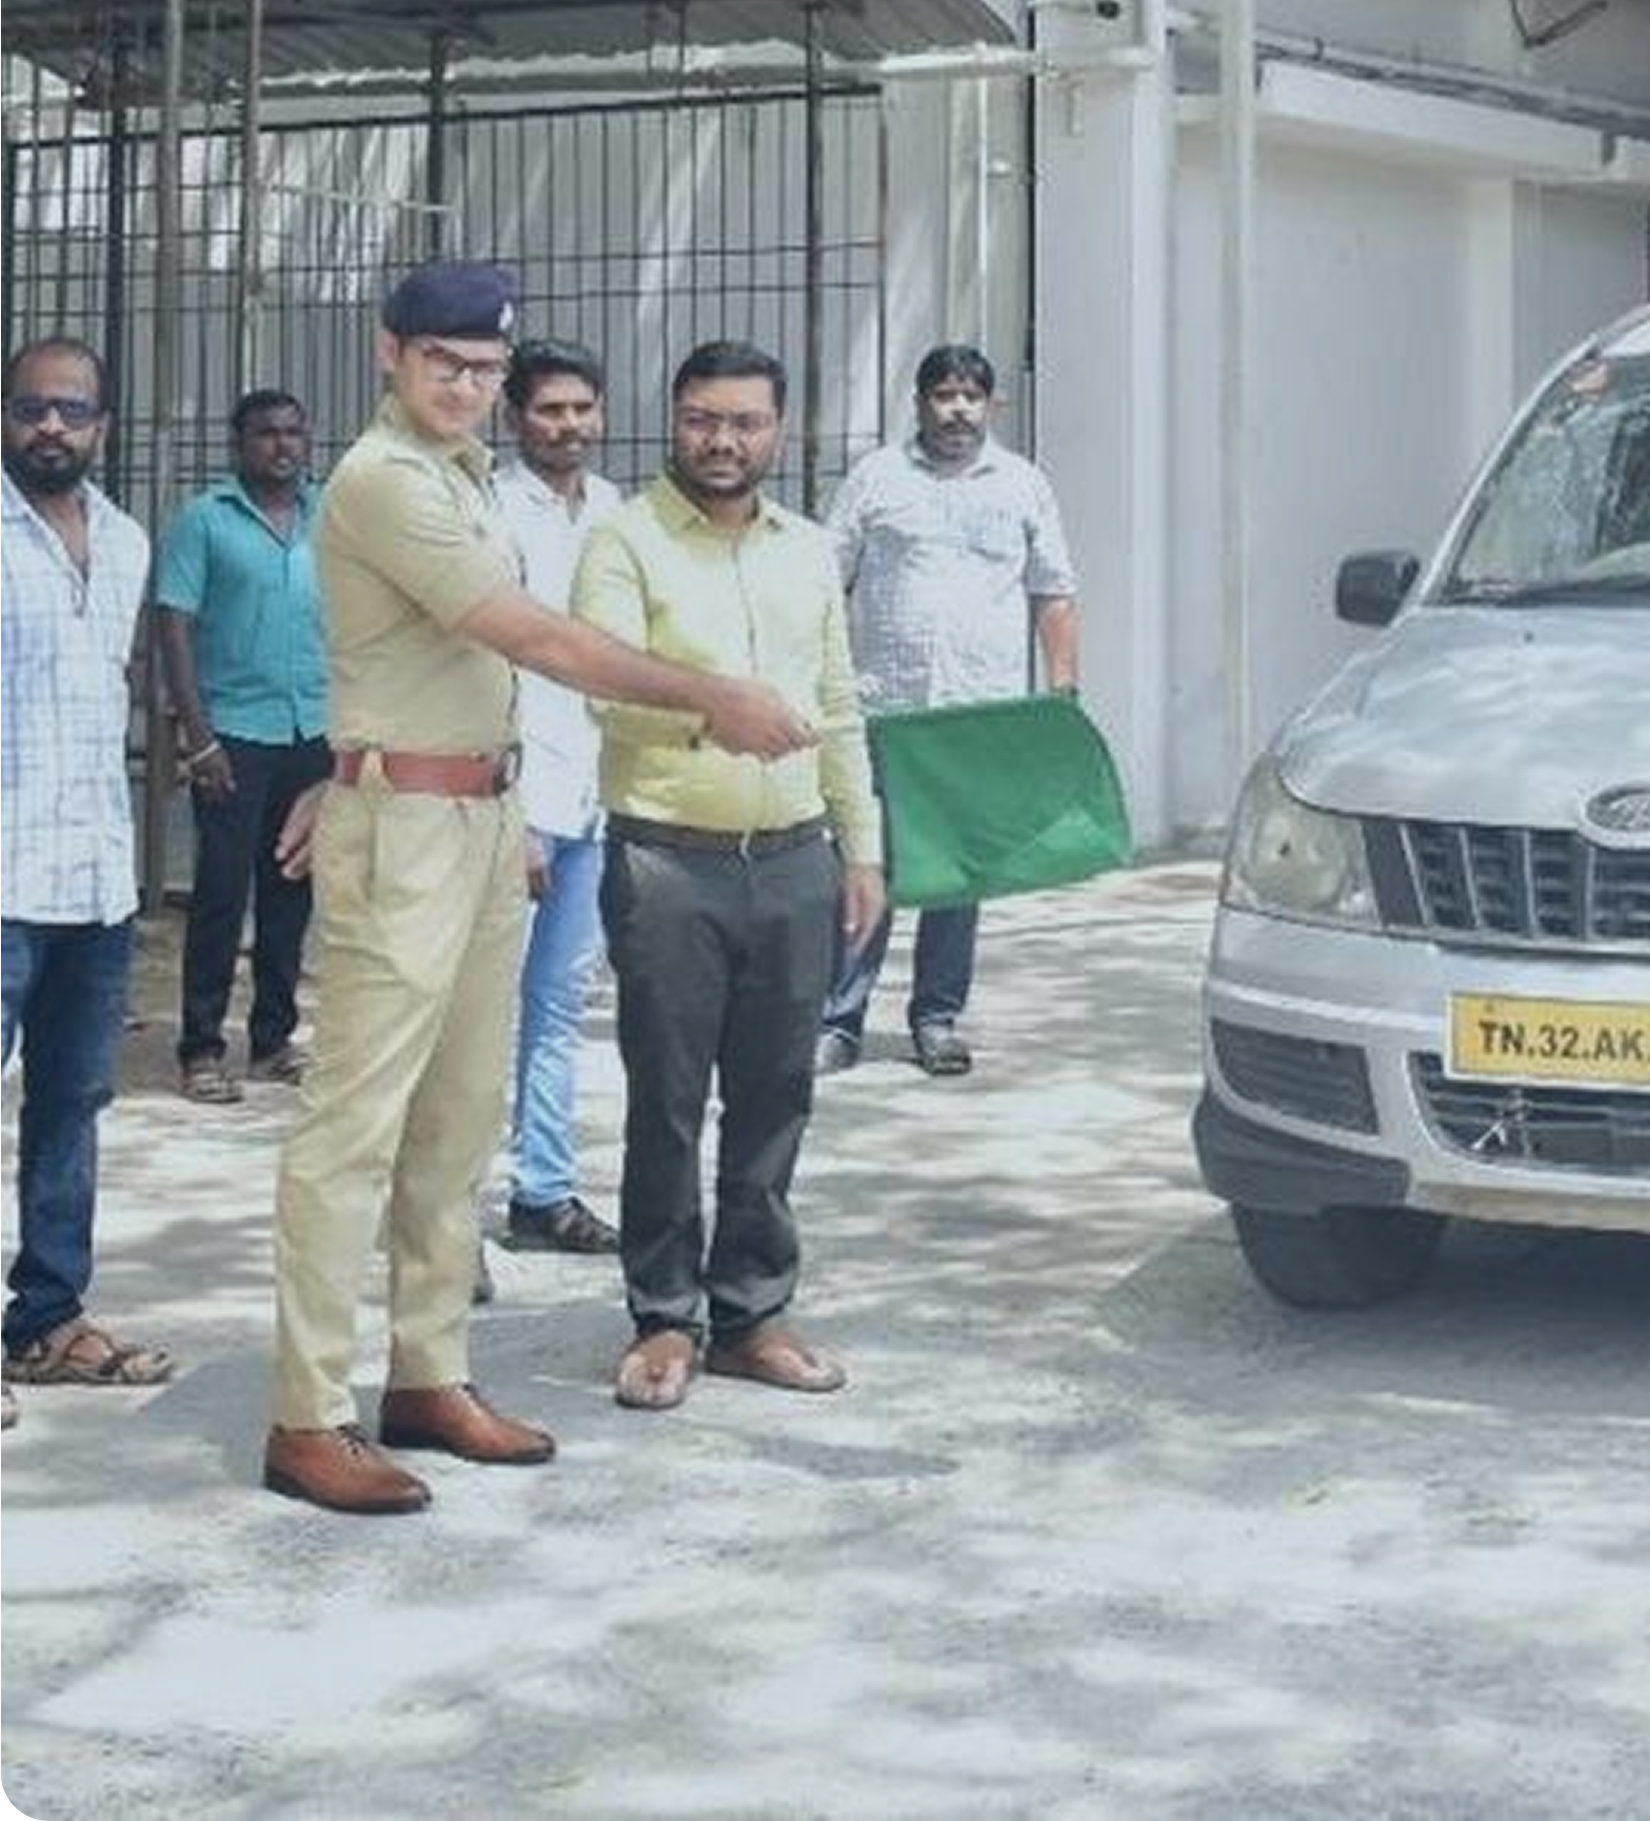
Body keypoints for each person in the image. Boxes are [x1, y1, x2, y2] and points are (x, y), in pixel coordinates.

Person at [261, 262, 816, 1517]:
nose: (466, 387)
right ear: (390, 354)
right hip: (405, 827)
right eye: (443, 364)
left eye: (484, 368)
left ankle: (427, 1373)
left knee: (460, 1119)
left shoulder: (461, 474)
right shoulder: (386, 478)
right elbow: (533, 636)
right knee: (354, 1126)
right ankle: (307, 1411)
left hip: (480, 813)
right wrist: (712, 698)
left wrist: (504, 800)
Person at [575, 340, 883, 1413]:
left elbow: (837, 703)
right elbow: (604, 686)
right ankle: (664, 1317)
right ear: (675, 420)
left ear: (778, 431)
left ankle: (752, 1313)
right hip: (669, 861)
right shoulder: (625, 540)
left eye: (745, 422)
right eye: (703, 419)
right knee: (666, 1096)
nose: (722, 441)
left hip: (796, 859)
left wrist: (863, 846)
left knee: (776, 1093)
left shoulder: (809, 549)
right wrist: (718, 711)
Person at [0, 337, 178, 1432]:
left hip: (94, 880)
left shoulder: (125, 540)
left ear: (103, 425)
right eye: (31, 408)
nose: (51, 427)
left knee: (72, 1107)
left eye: (71, 410)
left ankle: (46, 1320)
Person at [814, 344, 1076, 1078]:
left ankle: (936, 1019)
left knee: (959, 874)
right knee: (867, 859)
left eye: (970, 396)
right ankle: (837, 1020)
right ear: (920, 403)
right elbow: (824, 582)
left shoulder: (1024, 485)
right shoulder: (876, 479)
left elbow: (1053, 591)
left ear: (992, 405)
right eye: (943, 395)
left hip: (974, 718)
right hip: (884, 712)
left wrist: (1062, 692)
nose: (957, 409)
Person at [154, 387, 330, 1106]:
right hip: (234, 734)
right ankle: (201, 1047)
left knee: (292, 890)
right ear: (239, 444)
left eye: (293, 432)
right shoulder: (205, 520)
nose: (283, 445)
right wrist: (198, 739)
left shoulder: (330, 516)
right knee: (222, 894)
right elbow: (173, 627)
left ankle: (272, 1040)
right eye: (266, 433)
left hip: (312, 731)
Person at [488, 341, 627, 1257]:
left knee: (558, 1003)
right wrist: (512, 807)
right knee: (479, 1014)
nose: (568, 425)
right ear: (515, 418)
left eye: (582, 409)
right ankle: (442, 1219)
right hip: (514, 797)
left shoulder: (617, 513)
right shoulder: (488, 510)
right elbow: (484, 660)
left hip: (593, 795)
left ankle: (542, 1191)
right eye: (549, 410)